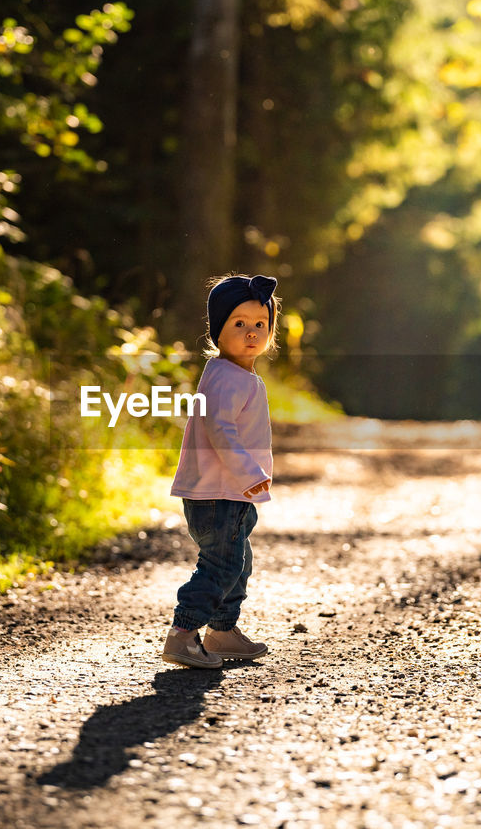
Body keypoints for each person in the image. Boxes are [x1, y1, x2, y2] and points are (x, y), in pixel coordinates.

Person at [162, 274, 280, 669]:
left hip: (228, 493)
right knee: (222, 565)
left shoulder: (231, 375)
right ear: (217, 330)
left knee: (237, 561)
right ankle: (183, 634)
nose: (251, 333)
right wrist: (250, 472)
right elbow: (219, 429)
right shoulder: (228, 378)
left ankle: (223, 631)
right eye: (239, 324)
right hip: (221, 493)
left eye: (260, 324)